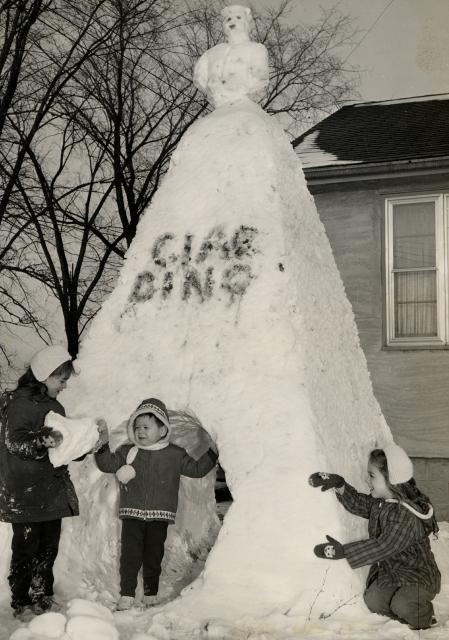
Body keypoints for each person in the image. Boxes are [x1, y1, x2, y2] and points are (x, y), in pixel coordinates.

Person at [0, 344, 106, 619]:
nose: (65, 386)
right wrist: (40, 440)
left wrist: (88, 443)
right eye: (62, 379)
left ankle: (42, 594)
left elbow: (63, 446)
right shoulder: (19, 403)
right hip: (25, 493)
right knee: (25, 547)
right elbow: (14, 441)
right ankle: (21, 599)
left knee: (49, 546)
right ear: (44, 375)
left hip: (51, 489)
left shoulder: (55, 406)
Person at [94, 397, 218, 610]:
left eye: (146, 427)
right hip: (132, 513)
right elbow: (107, 464)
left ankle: (151, 592)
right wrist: (102, 442)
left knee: (153, 554)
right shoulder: (128, 451)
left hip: (160, 514)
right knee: (130, 555)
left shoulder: (174, 454)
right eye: (137, 427)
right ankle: (127, 593)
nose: (140, 431)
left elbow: (197, 470)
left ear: (162, 430)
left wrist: (213, 452)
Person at [309, 443, 441, 631]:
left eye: (372, 475)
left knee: (401, 605)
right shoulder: (382, 503)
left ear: (390, 480)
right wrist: (340, 485)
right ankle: (408, 608)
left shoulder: (407, 516)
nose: (368, 479)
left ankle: (424, 615)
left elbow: (384, 546)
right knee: (373, 600)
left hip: (418, 575)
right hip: (394, 572)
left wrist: (344, 551)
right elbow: (361, 504)